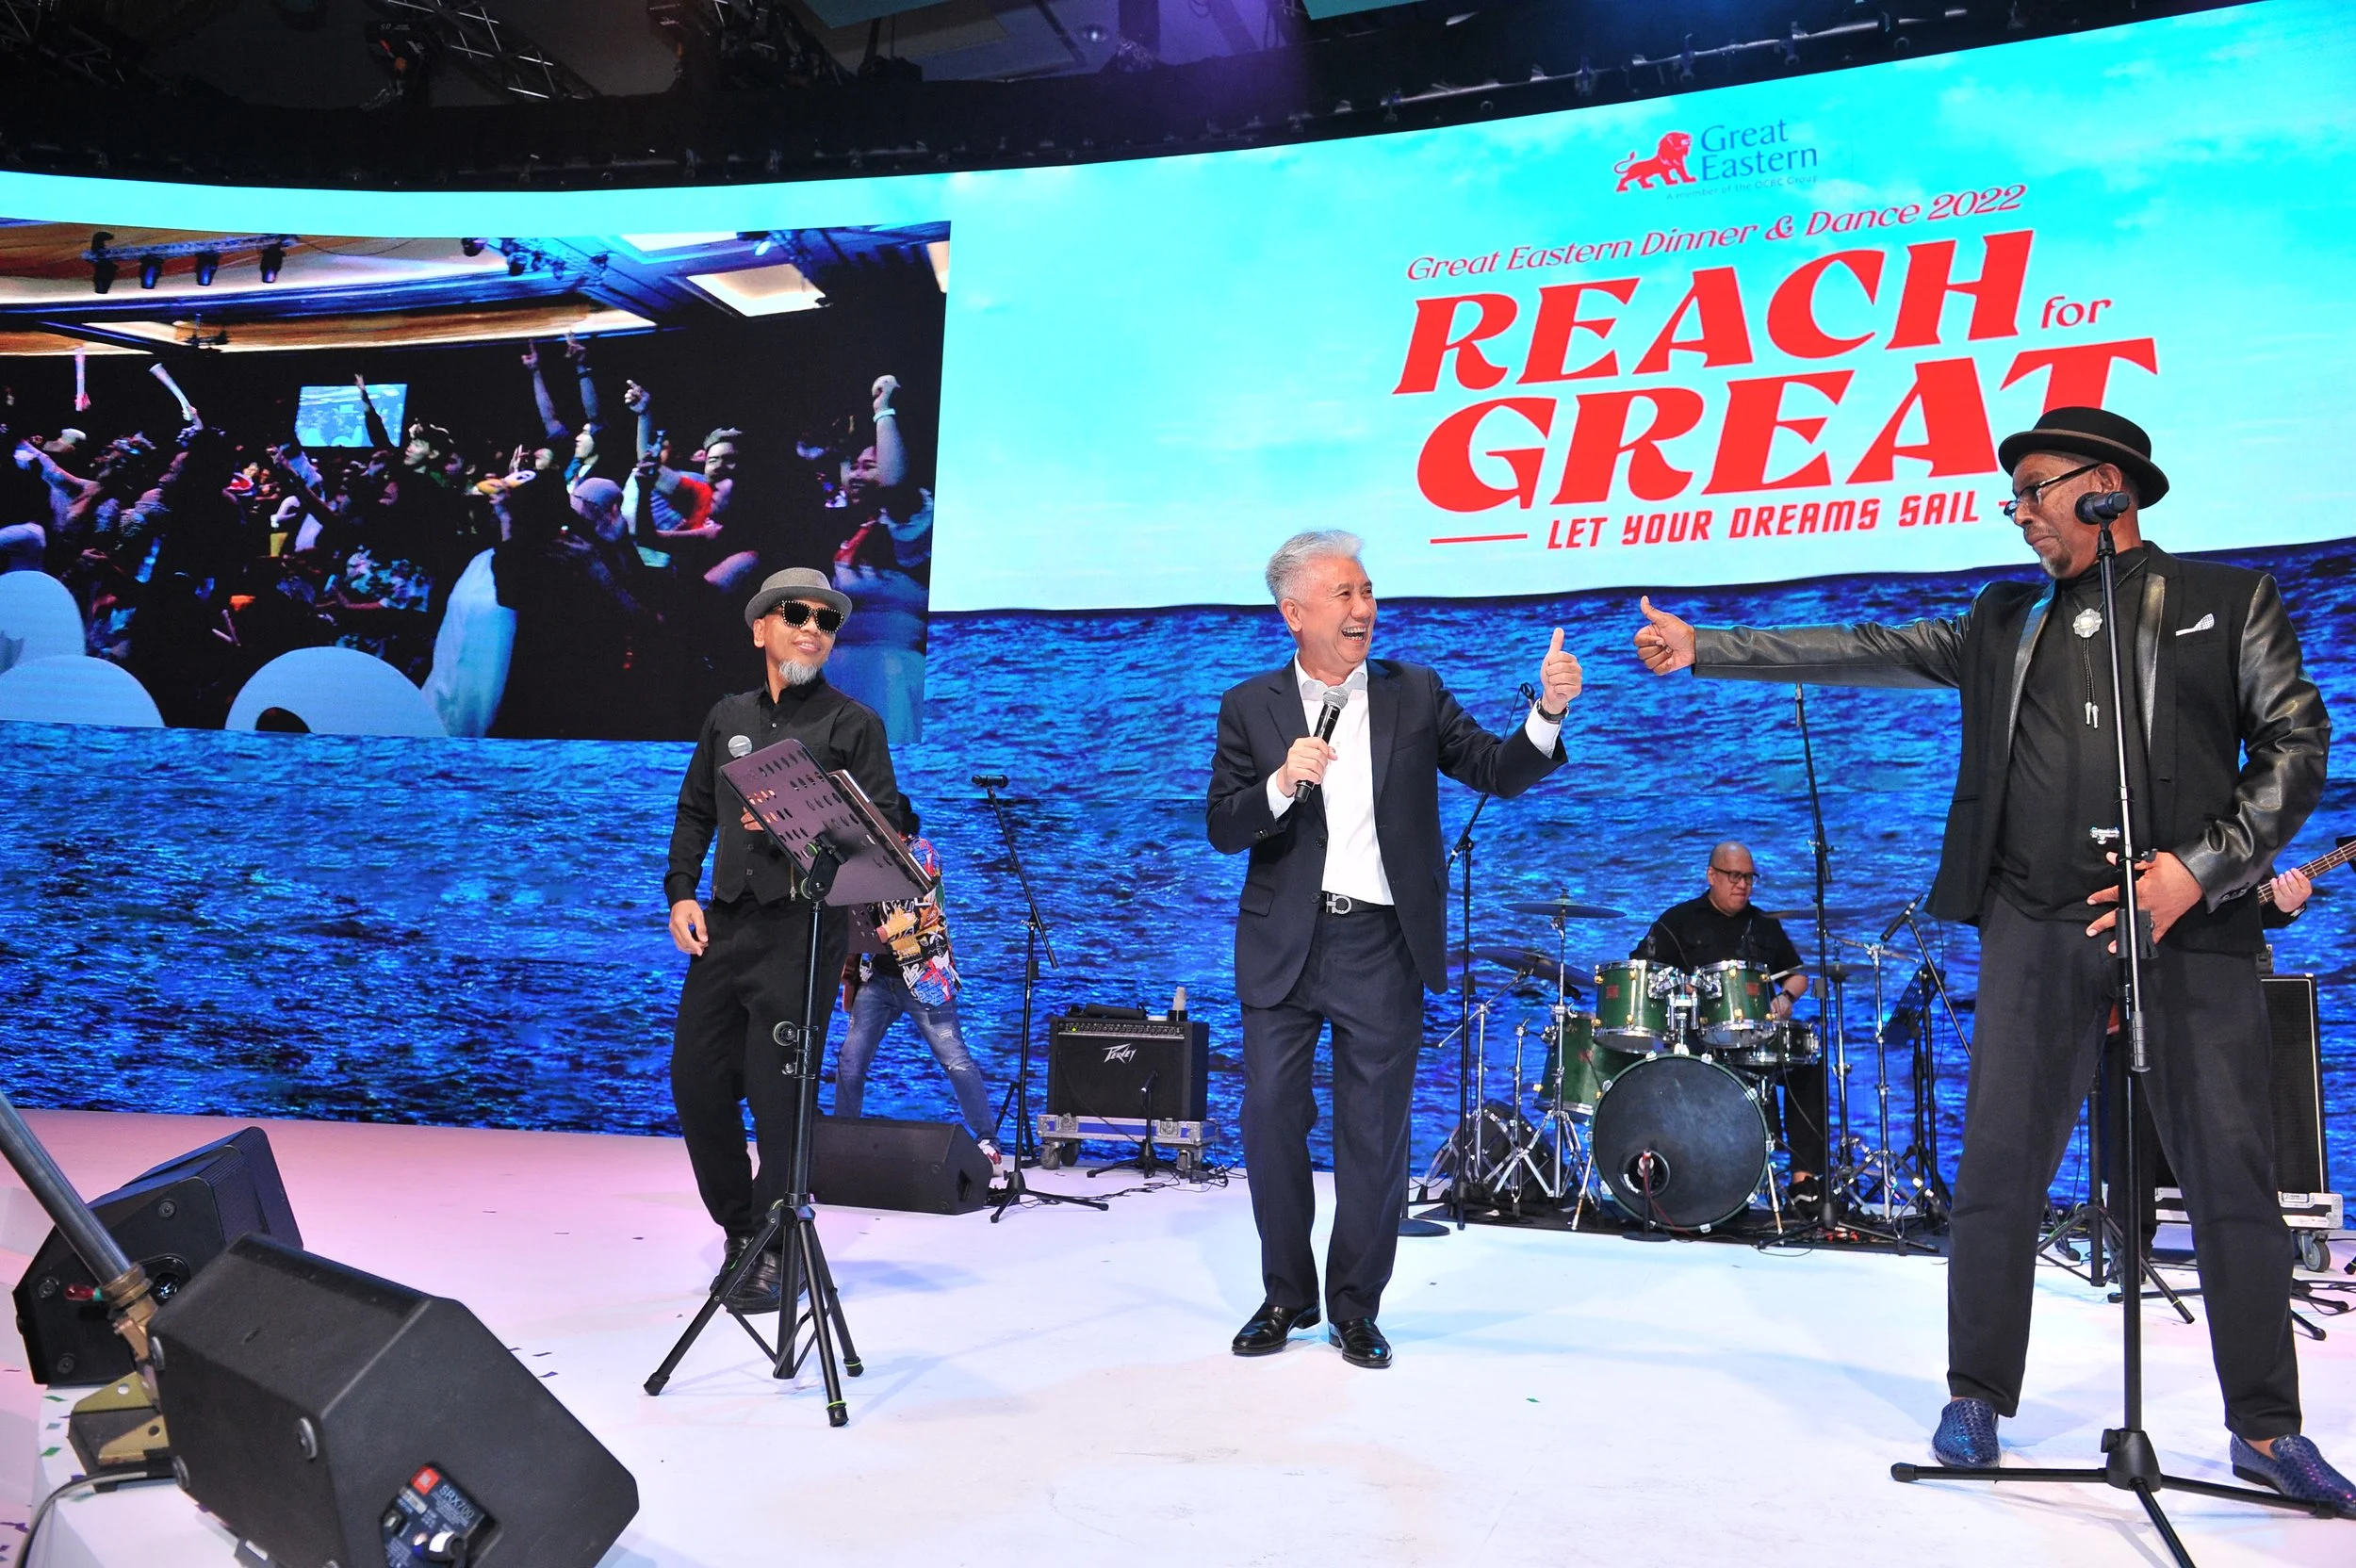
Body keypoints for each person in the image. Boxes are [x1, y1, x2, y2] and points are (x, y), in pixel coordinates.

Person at [1630, 406, 2351, 1510]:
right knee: (2000, 1169)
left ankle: (2265, 1424)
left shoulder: (2224, 599)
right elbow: (1865, 647)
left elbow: (2296, 742)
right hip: (2034, 923)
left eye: (2034, 490)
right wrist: (1709, 649)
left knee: (2230, 1177)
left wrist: (2197, 868)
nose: (2017, 513)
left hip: (2187, 924)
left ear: (2105, 487)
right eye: (2011, 496)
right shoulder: (2001, 622)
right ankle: (1975, 1393)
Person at [1208, 529, 1580, 1369]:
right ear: (1294, 613)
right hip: (1282, 942)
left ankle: (1355, 1308)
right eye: (1344, 594)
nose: (1364, 608)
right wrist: (1280, 783)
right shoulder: (1249, 705)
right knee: (1270, 1119)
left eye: (1368, 591)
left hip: (1380, 941)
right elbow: (1223, 827)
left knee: (1374, 1134)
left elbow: (1495, 770)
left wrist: (1549, 713)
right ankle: (1285, 1295)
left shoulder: (1414, 691)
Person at [665, 567, 903, 1312]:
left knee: (780, 1097)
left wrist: (799, 815)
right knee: (696, 1083)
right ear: (760, 628)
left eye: (827, 621)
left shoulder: (852, 723)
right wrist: (680, 891)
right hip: (724, 925)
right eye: (796, 614)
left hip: (803, 932)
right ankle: (740, 1228)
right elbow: (695, 810)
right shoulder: (727, 715)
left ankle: (773, 1246)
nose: (812, 629)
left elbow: (890, 824)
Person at [1634, 841, 1823, 1202]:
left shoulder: (1764, 924)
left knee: (1808, 1065)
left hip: (1756, 1038)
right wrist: (1681, 986)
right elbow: (1644, 971)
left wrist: (1785, 998)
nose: (1743, 885)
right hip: (1698, 1040)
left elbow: (1798, 975)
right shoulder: (1679, 920)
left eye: (1749, 878)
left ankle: (1803, 1183)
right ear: (1712, 875)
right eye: (1735, 876)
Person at [831, 803, 1002, 1170]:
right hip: (880, 979)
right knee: (850, 1060)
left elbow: (916, 913)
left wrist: (877, 934)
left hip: (924, 977)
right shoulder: (869, 859)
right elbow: (856, 917)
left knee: (955, 1060)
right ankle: (843, 1137)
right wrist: (849, 973)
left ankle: (987, 1138)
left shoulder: (922, 852)